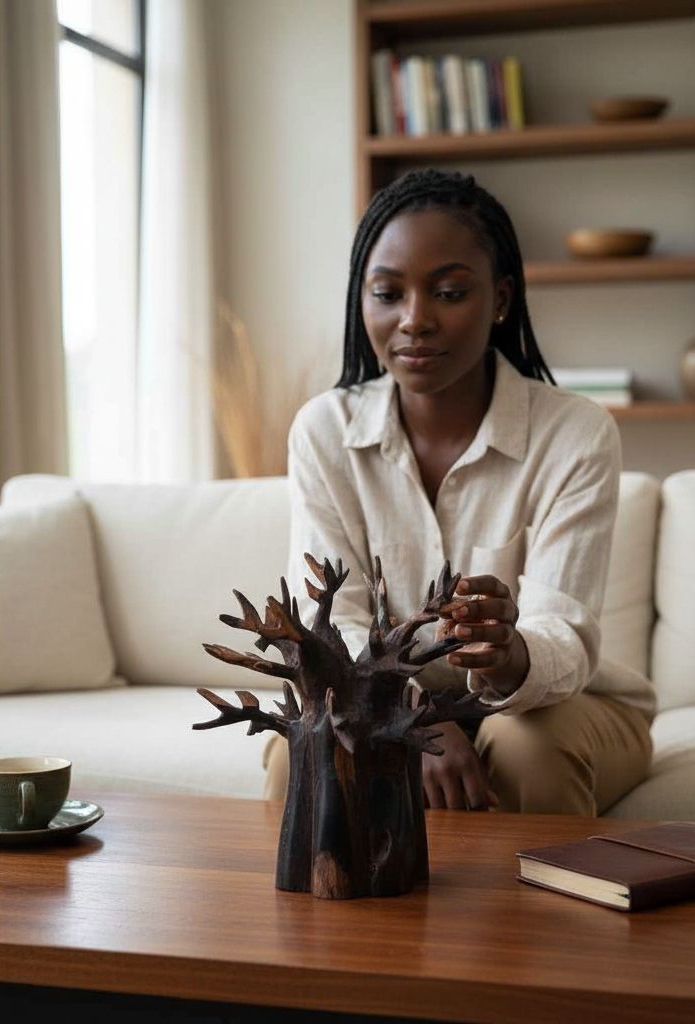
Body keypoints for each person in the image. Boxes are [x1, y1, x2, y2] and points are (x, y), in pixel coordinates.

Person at [262, 168, 655, 815]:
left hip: (553, 703)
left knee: (525, 750)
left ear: (500, 299)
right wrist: (409, 717)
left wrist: (506, 651)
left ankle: (534, 892)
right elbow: (332, 624)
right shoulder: (324, 431)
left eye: (448, 292)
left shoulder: (575, 434)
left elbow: (563, 633)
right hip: (391, 696)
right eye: (387, 293)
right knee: (301, 752)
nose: (414, 319)